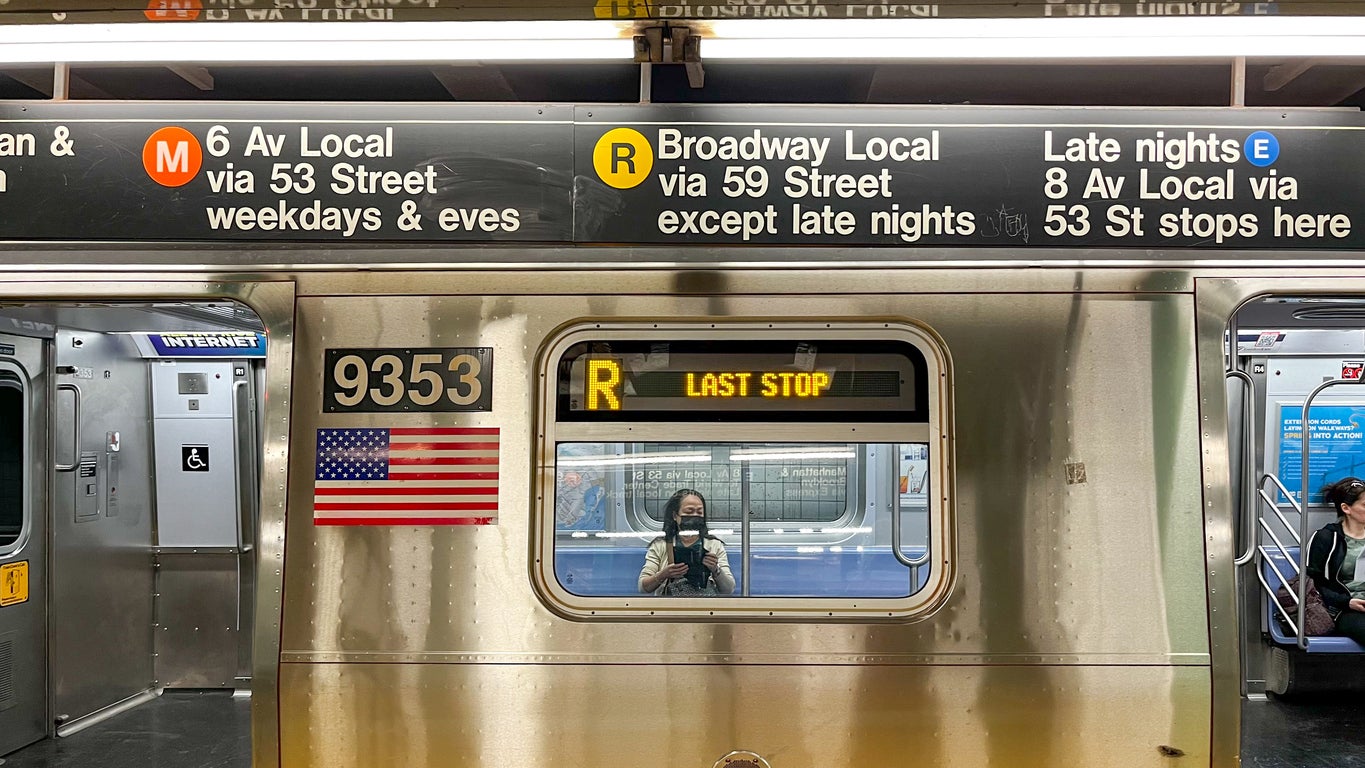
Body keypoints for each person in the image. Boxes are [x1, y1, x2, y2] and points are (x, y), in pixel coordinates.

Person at [638, 488, 735, 596]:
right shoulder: (660, 546)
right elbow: (643, 587)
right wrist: (664, 574)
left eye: (699, 512)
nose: (694, 515)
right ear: (675, 516)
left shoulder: (714, 545)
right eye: (689, 511)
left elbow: (729, 589)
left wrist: (716, 570)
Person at [1306, 477, 1365, 643]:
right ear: (1346, 508)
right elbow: (1312, 584)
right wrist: (1347, 602)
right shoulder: (1326, 538)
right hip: (1343, 609)